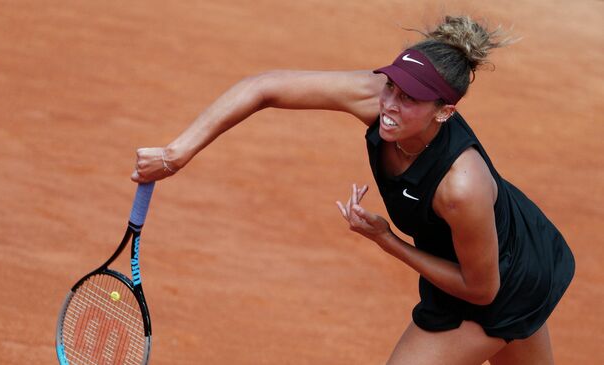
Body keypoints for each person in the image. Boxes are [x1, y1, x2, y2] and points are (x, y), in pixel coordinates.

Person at [131, 15, 575, 365]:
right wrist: (175, 154)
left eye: (409, 99)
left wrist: (388, 241)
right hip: (500, 254)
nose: (389, 105)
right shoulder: (376, 97)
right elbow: (265, 87)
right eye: (391, 87)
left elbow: (482, 291)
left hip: (501, 284)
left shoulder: (461, 186)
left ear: (445, 112)